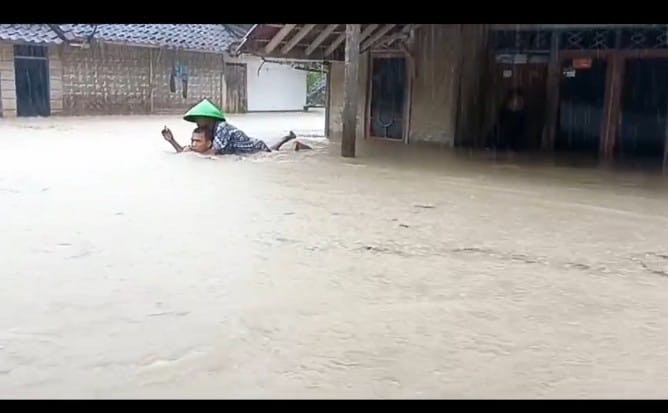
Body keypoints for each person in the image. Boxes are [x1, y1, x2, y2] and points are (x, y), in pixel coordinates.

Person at [161, 99, 308, 155]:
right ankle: (286, 138)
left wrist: (190, 153)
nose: (198, 124)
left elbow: (210, 153)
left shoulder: (222, 128)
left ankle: (295, 144)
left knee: (272, 152)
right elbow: (192, 149)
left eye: (200, 120)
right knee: (273, 149)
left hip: (254, 148)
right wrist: (171, 140)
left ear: (209, 119)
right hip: (246, 148)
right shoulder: (208, 133)